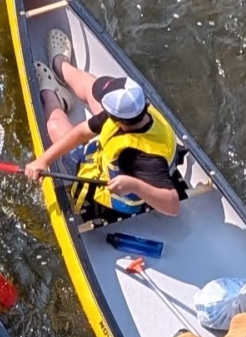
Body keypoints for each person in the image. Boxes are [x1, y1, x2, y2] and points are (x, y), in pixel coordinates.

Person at [22, 59, 183, 219]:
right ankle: (61, 67)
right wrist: (44, 160)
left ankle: (51, 96)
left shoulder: (144, 160)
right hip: (113, 152)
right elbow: (83, 131)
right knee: (93, 85)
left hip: (110, 185)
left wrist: (134, 185)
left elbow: (172, 205)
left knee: (54, 125)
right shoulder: (141, 111)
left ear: (117, 118)